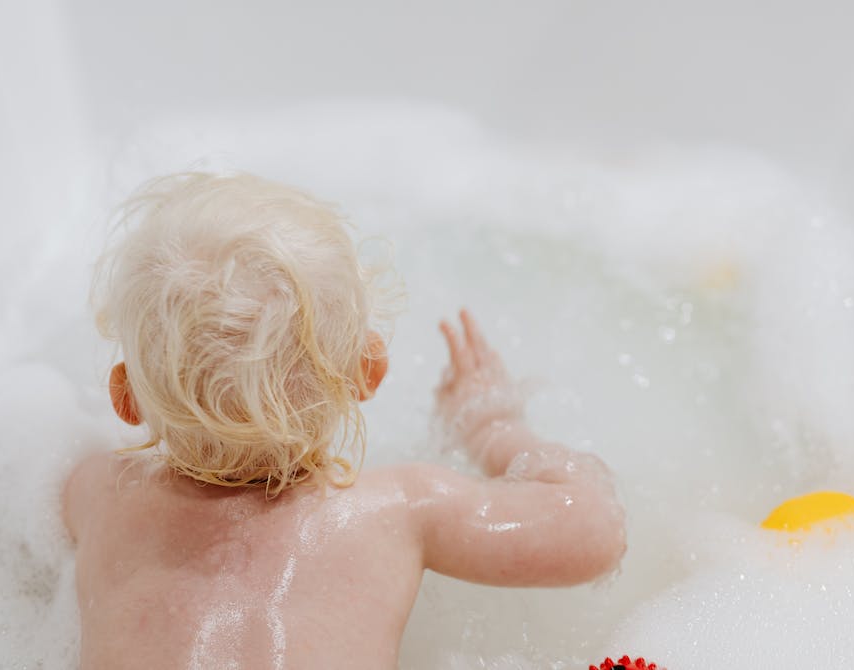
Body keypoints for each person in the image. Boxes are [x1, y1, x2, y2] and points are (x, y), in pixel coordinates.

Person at [63, 172, 625, 669]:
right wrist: (491, 425)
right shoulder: (397, 510)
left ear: (126, 398)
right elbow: (596, 529)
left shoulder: (98, 494)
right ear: (368, 371)